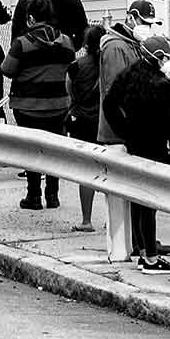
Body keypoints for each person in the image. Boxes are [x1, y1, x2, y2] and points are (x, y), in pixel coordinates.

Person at [102, 32, 170, 274]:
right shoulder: (162, 85)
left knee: (139, 201)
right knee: (150, 202)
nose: (169, 62)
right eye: (168, 58)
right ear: (158, 58)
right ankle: (150, 257)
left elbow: (109, 104)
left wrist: (125, 131)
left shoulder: (128, 76)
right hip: (156, 148)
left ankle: (142, 250)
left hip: (134, 144)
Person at [95, 0, 167, 255]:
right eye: (144, 23)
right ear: (131, 18)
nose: (147, 28)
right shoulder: (116, 48)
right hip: (121, 132)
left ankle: (143, 240)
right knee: (135, 190)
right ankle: (138, 242)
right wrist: (129, 131)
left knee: (139, 191)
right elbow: (119, 95)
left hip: (129, 130)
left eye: (151, 24)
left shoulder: (132, 45)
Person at [0, 4, 76, 210]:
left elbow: (7, 69)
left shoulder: (22, 44)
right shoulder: (67, 42)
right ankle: (53, 195)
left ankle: (34, 195)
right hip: (59, 105)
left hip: (27, 107)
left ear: (31, 19)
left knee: (31, 148)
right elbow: (72, 65)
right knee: (55, 148)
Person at [67, 24, 105, 232]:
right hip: (105, 123)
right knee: (111, 171)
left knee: (87, 172)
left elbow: (70, 92)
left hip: (82, 122)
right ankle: (113, 216)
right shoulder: (110, 65)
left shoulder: (76, 66)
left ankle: (86, 219)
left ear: (85, 45)